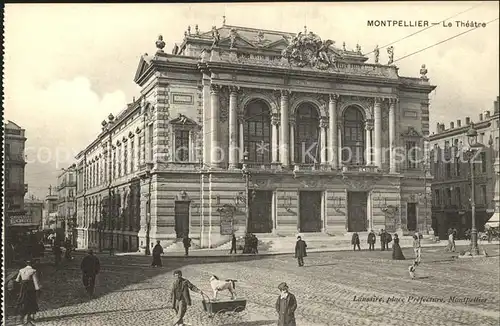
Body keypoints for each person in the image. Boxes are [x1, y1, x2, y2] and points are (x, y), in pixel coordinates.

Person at [15, 260, 41, 325]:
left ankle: (22, 316)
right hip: (30, 287)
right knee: (31, 300)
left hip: (23, 287)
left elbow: (17, 280)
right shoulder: (33, 271)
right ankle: (29, 317)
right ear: (32, 264)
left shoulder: (21, 270)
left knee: (23, 299)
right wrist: (38, 289)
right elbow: (35, 281)